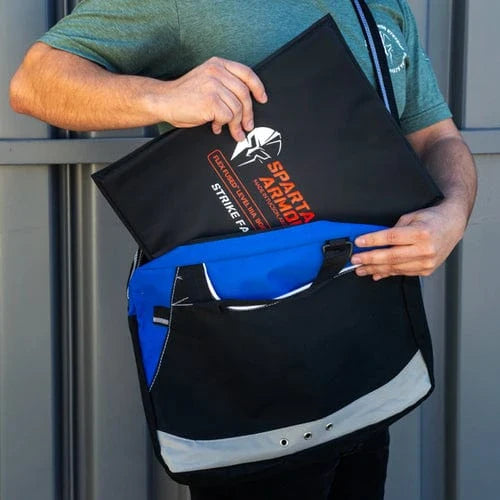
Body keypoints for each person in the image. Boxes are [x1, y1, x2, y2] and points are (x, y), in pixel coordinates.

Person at [9, 1, 477, 498]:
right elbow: (35, 82)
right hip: (254, 366)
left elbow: (436, 137)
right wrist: (164, 97)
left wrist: (452, 214)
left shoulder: (384, 6)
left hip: (366, 354)